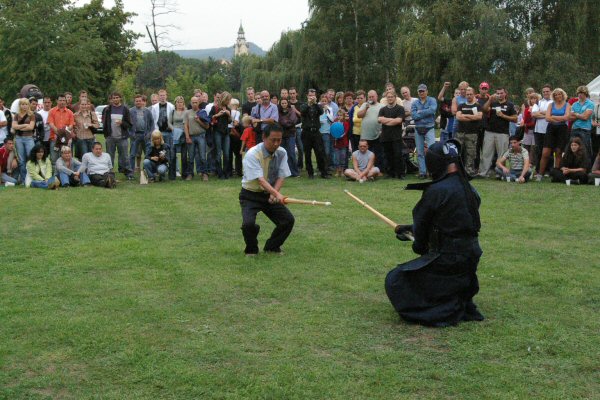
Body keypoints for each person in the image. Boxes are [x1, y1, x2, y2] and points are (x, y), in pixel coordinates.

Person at [386, 140, 484, 327]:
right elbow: (451, 222)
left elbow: (421, 242)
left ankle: (448, 309)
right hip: (469, 259)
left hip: (449, 261)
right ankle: (455, 295)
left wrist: (418, 242)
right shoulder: (469, 189)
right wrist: (410, 229)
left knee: (396, 279)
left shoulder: (435, 191)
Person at [239, 124, 295, 256]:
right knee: (248, 225)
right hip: (250, 195)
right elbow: (260, 180)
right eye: (273, 140)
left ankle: (272, 247)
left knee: (287, 220)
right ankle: (251, 250)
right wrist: (276, 194)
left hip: (269, 193)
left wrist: (273, 193)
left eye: (279, 140)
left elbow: (282, 175)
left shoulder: (282, 152)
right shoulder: (253, 154)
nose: (276, 143)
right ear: (264, 137)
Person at [479, 87, 517, 177]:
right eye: (498, 93)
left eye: (501, 93)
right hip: (490, 131)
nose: (499, 95)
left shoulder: (510, 104)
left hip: (503, 133)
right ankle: (483, 173)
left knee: (502, 154)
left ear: (505, 94)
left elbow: (515, 119)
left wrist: (503, 115)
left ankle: (500, 173)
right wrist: (489, 100)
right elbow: (484, 110)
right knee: (486, 153)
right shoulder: (493, 103)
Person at [538, 88, 571, 180]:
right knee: (545, 153)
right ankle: (540, 174)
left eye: (559, 94)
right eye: (555, 95)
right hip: (551, 129)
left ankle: (556, 175)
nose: (557, 96)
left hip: (562, 130)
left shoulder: (567, 105)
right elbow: (547, 118)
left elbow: (567, 117)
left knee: (558, 152)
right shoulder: (551, 105)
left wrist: (553, 116)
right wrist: (560, 117)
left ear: (562, 95)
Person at [102, 92, 133, 180]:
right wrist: (106, 134)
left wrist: (122, 123)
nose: (115, 99)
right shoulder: (107, 109)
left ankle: (128, 173)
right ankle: (109, 172)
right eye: (113, 98)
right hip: (110, 137)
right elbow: (104, 122)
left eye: (117, 97)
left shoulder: (125, 109)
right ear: (111, 99)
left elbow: (130, 124)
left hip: (122, 137)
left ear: (120, 99)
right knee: (109, 156)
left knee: (124, 156)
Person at [300, 89, 328, 179]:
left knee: (320, 153)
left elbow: (321, 112)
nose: (311, 97)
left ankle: (323, 172)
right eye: (310, 95)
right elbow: (303, 112)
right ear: (307, 96)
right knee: (307, 154)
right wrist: (309, 104)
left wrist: (315, 103)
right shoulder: (304, 105)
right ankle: (310, 173)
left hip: (316, 132)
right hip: (306, 132)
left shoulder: (318, 106)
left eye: (313, 96)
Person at [455, 87, 483, 177]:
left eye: (471, 94)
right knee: (458, 151)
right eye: (467, 94)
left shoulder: (477, 106)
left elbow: (479, 117)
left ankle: (469, 170)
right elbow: (458, 117)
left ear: (474, 94)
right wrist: (471, 116)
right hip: (460, 132)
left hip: (472, 133)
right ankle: (457, 169)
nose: (469, 96)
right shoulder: (461, 105)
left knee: (471, 153)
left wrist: (465, 115)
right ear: (465, 95)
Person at [411, 84, 437, 178]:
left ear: (427, 91)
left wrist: (420, 112)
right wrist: (426, 111)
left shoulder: (432, 100)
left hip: (429, 128)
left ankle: (433, 171)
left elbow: (433, 110)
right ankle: (422, 172)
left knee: (432, 150)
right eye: (420, 91)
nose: (421, 92)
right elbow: (413, 115)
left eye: (423, 91)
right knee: (420, 152)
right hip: (418, 128)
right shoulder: (414, 102)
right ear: (418, 92)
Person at [377, 91, 405, 179]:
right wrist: (392, 120)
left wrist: (386, 120)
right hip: (385, 137)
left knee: (398, 155)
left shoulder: (400, 108)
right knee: (388, 156)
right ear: (386, 98)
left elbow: (399, 121)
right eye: (388, 97)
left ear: (395, 97)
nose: (390, 98)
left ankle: (400, 174)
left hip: (396, 136)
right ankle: (390, 173)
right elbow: (379, 120)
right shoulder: (382, 109)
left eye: (391, 97)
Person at [151, 89, 176, 179]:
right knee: (159, 152)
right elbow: (153, 120)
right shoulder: (154, 107)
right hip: (159, 133)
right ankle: (159, 172)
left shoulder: (172, 106)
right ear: (158, 96)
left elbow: (173, 119)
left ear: (166, 96)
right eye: (160, 95)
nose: (162, 97)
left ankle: (173, 173)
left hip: (169, 133)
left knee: (171, 152)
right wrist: (155, 131)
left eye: (164, 95)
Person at [184, 96, 210, 181]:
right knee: (190, 156)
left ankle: (204, 173)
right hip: (191, 136)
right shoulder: (187, 113)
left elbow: (207, 126)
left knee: (202, 156)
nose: (194, 104)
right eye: (193, 102)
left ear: (198, 103)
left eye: (196, 102)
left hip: (201, 136)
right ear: (190, 103)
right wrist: (187, 137)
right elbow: (186, 126)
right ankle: (190, 174)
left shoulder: (202, 112)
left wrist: (199, 121)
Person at [357, 90, 384, 170]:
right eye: (369, 97)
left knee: (377, 153)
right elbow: (359, 115)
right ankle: (364, 169)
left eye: (373, 97)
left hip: (377, 134)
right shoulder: (365, 105)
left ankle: (378, 170)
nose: (371, 98)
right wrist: (366, 108)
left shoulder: (381, 106)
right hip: (365, 135)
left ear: (376, 97)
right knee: (365, 153)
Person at [129, 94, 154, 175]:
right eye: (137, 101)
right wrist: (131, 134)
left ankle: (147, 171)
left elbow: (152, 124)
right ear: (134, 102)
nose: (138, 102)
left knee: (148, 154)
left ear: (142, 101)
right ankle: (131, 172)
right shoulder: (131, 111)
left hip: (145, 135)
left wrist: (150, 133)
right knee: (132, 154)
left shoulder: (147, 111)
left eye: (140, 101)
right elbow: (127, 124)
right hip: (135, 135)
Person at [12, 98, 36, 181]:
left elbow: (31, 127)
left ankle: (31, 178)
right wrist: (25, 125)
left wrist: (19, 127)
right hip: (19, 139)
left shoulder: (31, 115)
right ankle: (23, 179)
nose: (24, 106)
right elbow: (14, 126)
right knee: (21, 160)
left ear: (28, 105)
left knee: (31, 158)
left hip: (29, 138)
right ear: (20, 105)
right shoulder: (16, 115)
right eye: (22, 104)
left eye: (26, 104)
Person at [210, 91, 232, 179]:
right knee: (218, 153)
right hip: (217, 132)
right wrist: (217, 115)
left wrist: (229, 115)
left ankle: (226, 172)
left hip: (226, 132)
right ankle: (220, 173)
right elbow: (210, 118)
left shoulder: (228, 109)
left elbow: (230, 121)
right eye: (228, 100)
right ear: (225, 99)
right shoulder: (214, 108)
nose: (229, 101)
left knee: (226, 153)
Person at [569, 85, 594, 160]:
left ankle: (586, 167)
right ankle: (574, 166)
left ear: (585, 93)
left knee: (585, 148)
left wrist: (576, 114)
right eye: (578, 93)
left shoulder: (590, 103)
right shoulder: (574, 104)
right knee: (573, 148)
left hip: (585, 129)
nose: (579, 95)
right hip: (575, 128)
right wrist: (581, 115)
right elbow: (570, 118)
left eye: (581, 93)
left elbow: (585, 117)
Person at [532, 84, 553, 173]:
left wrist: (540, 112)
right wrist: (547, 114)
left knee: (549, 152)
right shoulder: (538, 102)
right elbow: (533, 114)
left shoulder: (554, 102)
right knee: (539, 151)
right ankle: (538, 170)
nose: (545, 93)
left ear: (551, 91)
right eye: (544, 92)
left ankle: (548, 170)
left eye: (547, 91)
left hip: (550, 130)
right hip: (538, 131)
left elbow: (553, 113)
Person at [278, 98, 299, 177]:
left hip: (290, 134)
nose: (284, 104)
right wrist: (286, 121)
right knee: (283, 153)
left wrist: (284, 122)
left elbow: (293, 121)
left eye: (285, 103)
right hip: (282, 135)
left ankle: (295, 172)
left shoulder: (292, 111)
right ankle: (285, 172)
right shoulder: (278, 112)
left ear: (288, 103)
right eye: (282, 103)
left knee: (291, 153)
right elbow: (278, 121)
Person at [172, 96, 189, 179]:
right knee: (173, 155)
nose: (179, 104)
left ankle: (184, 174)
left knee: (184, 156)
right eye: (178, 102)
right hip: (175, 135)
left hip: (184, 135)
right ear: (175, 103)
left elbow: (188, 123)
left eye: (181, 102)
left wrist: (184, 132)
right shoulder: (172, 112)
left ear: (183, 103)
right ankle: (173, 174)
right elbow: (169, 123)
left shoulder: (187, 112)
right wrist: (174, 130)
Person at [228, 98, 242, 177]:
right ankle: (238, 171)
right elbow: (236, 123)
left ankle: (229, 171)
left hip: (228, 133)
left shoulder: (227, 111)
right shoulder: (237, 112)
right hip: (235, 134)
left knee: (229, 153)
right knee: (238, 154)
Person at [333, 109, 349, 177]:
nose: (339, 116)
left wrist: (340, 135)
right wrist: (335, 135)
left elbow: (346, 131)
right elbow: (333, 130)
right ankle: (337, 171)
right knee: (336, 158)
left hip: (343, 143)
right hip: (336, 144)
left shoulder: (346, 123)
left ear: (343, 116)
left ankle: (342, 171)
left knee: (343, 157)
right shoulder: (335, 122)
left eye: (341, 115)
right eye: (338, 115)